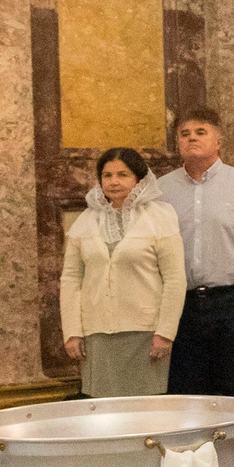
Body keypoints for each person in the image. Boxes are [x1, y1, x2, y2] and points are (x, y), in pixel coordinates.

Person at [156, 107, 234, 400]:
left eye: (201, 132)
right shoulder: (162, 191)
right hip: (182, 306)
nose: (192, 139)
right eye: (184, 134)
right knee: (187, 394)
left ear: (219, 140)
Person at [60, 147, 184, 397]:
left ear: (138, 179)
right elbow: (71, 279)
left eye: (122, 174)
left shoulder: (160, 217)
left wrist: (165, 333)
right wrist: (72, 332)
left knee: (146, 411)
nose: (114, 181)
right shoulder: (84, 221)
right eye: (107, 175)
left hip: (147, 336)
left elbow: (175, 279)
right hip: (97, 336)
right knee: (103, 412)